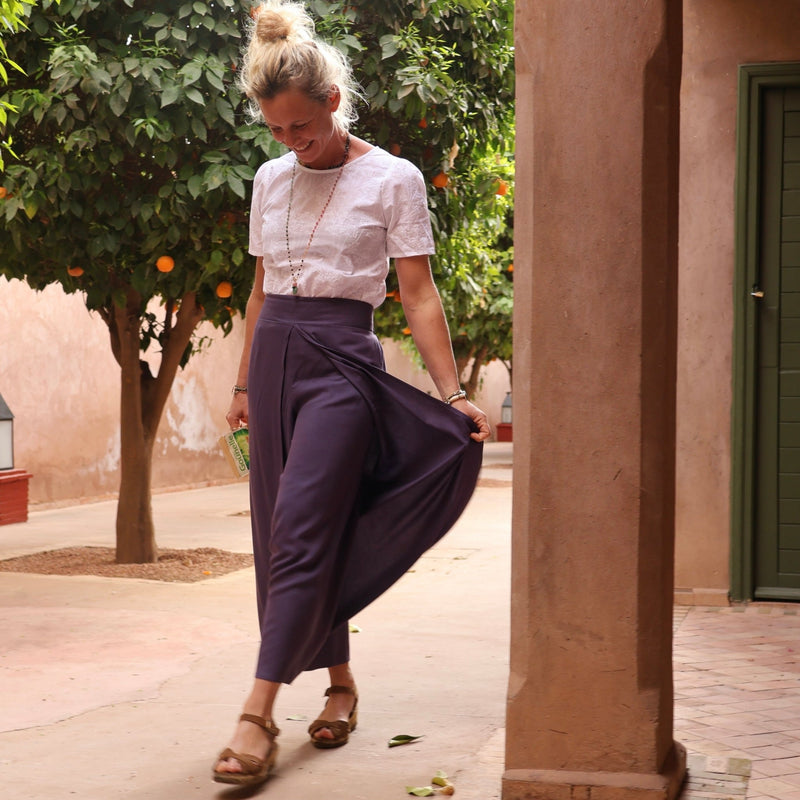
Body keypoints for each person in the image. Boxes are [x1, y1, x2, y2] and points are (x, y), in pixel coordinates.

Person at [213, 0, 491, 787]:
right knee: (283, 532)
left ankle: (257, 715)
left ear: (333, 101)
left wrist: (451, 392)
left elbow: (418, 294)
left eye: (302, 126)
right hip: (275, 360)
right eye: (276, 129)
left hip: (343, 364)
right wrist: (243, 381)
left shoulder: (393, 178)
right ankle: (339, 685)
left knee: (302, 525)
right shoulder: (270, 179)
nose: (290, 141)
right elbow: (261, 291)